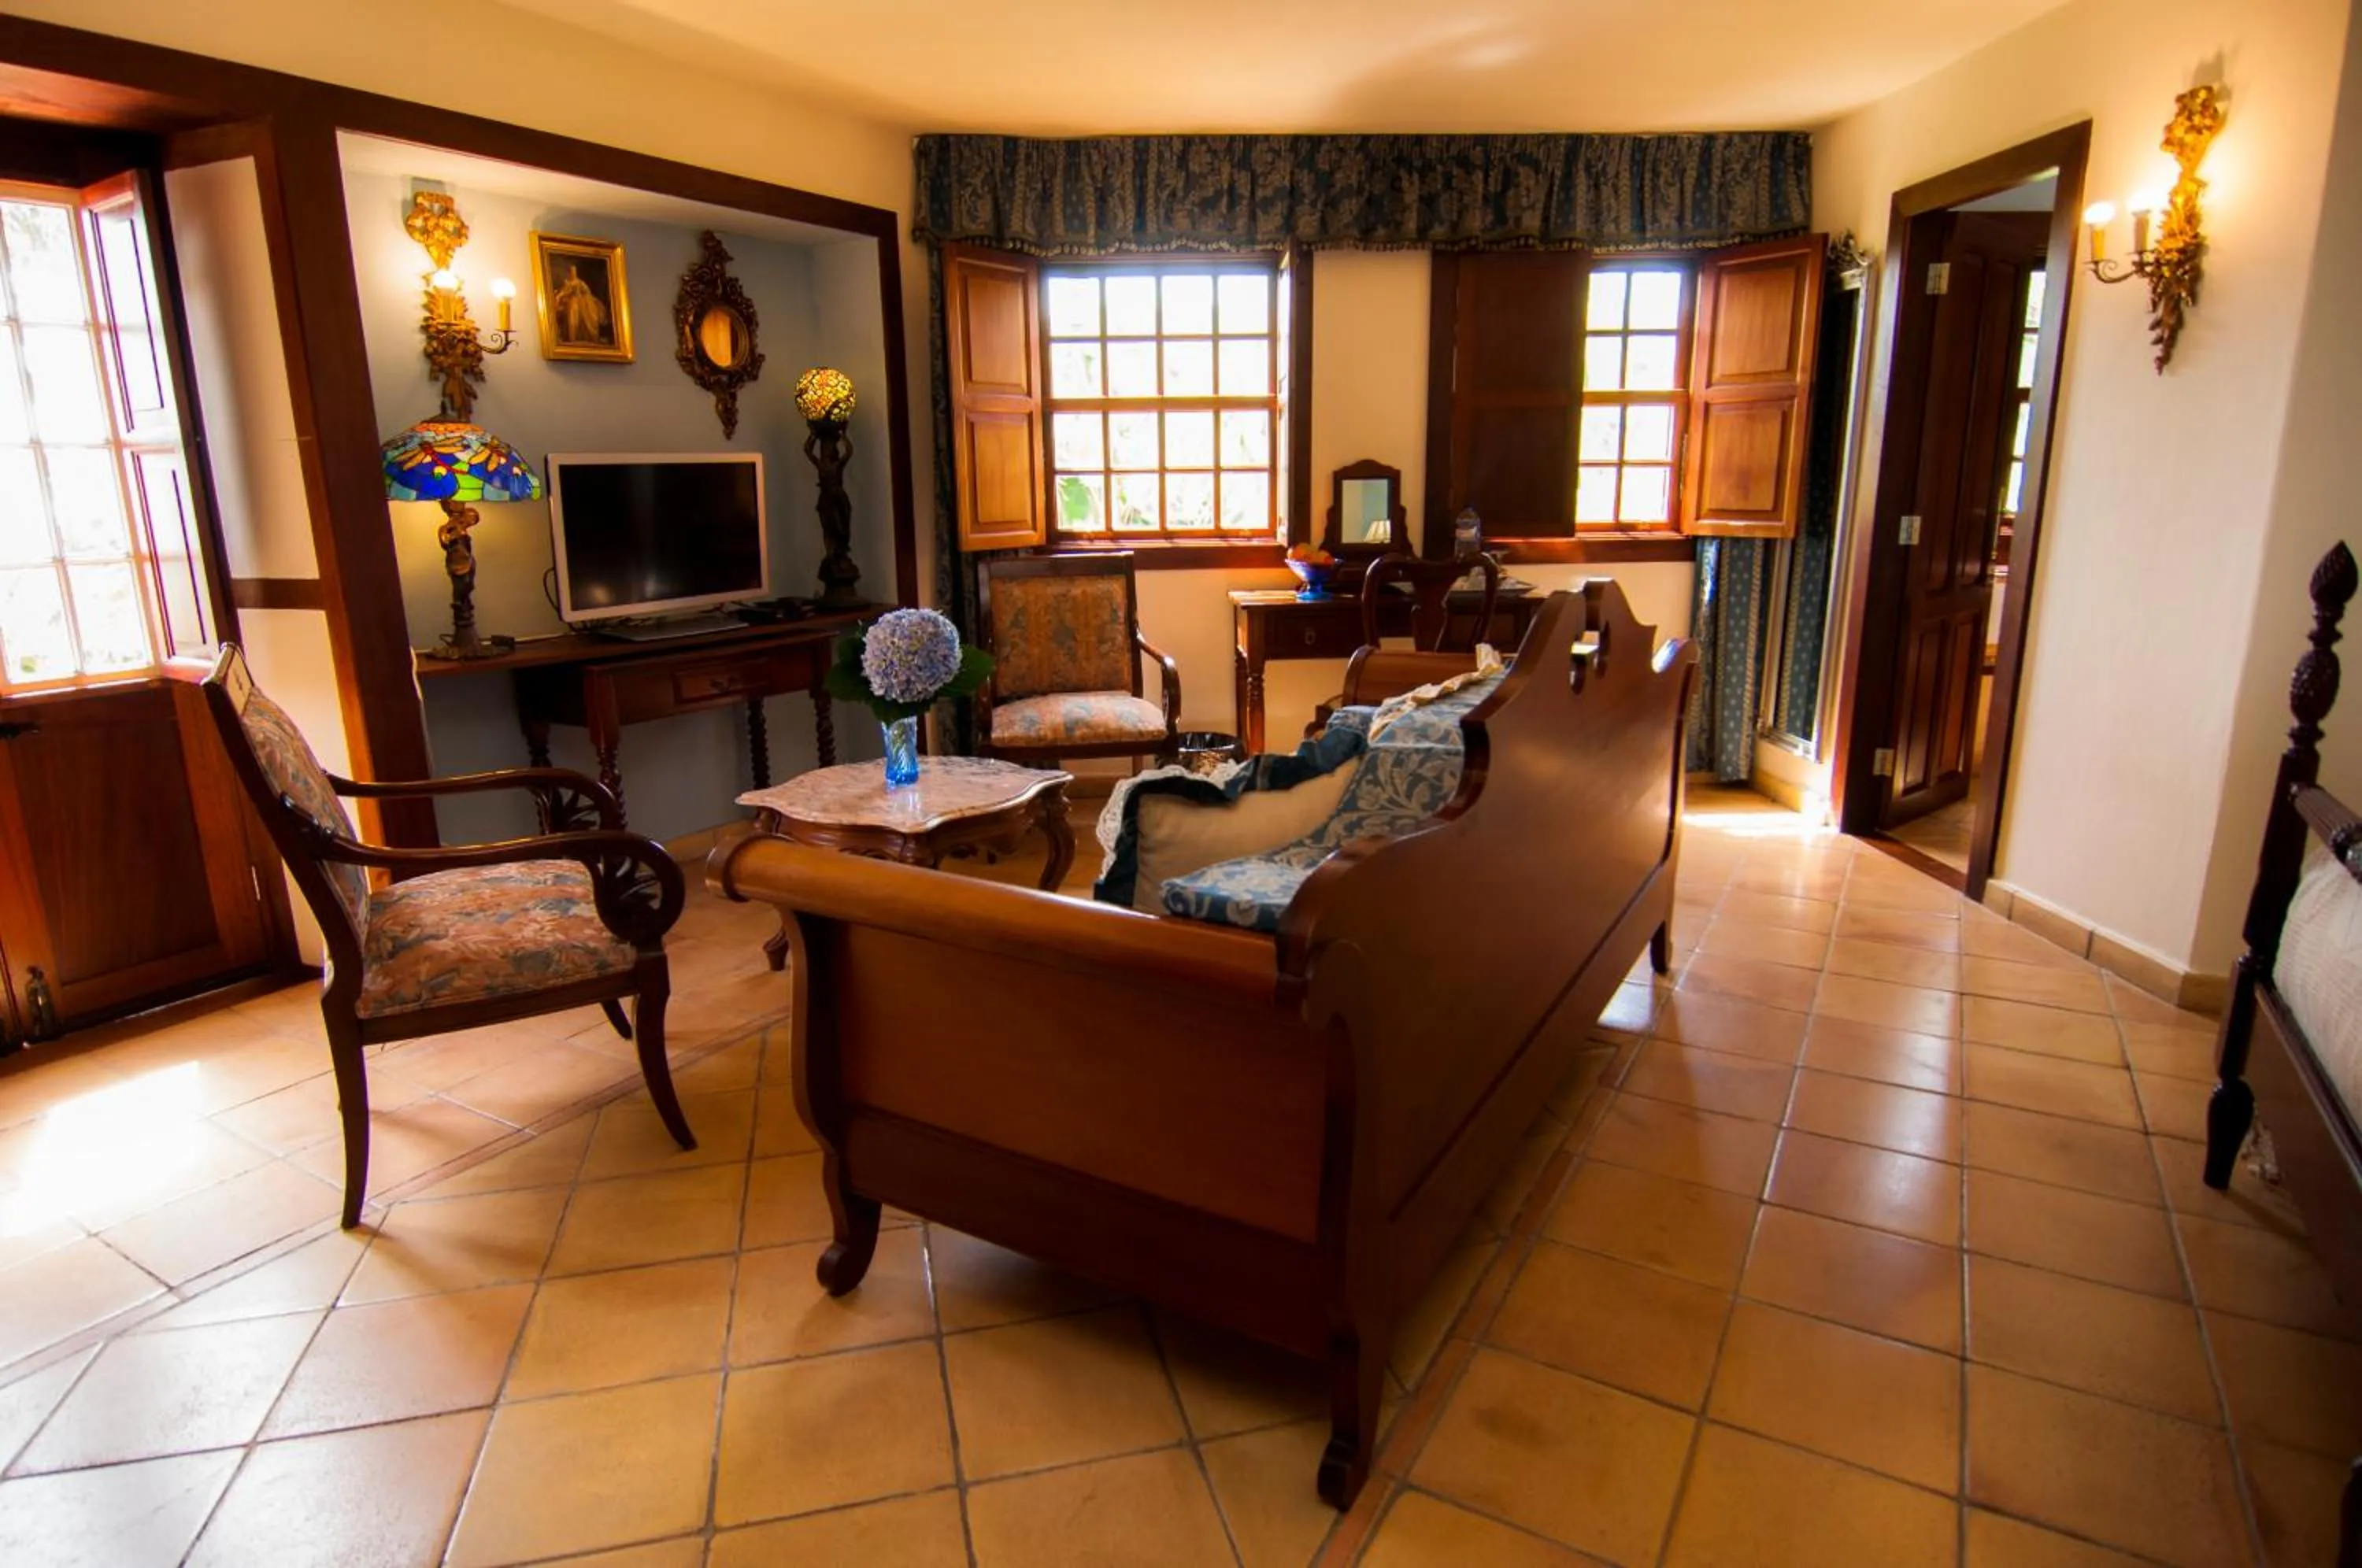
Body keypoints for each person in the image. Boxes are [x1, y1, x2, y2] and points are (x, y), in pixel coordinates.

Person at [552, 264, 609, 345]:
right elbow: (564, 292)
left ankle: (584, 337)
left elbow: (587, 290)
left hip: (580, 302)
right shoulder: (568, 282)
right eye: (572, 271)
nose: (573, 273)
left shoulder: (580, 282)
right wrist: (561, 296)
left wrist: (582, 294)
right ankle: (573, 337)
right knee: (572, 317)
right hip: (572, 302)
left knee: (585, 317)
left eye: (574, 271)